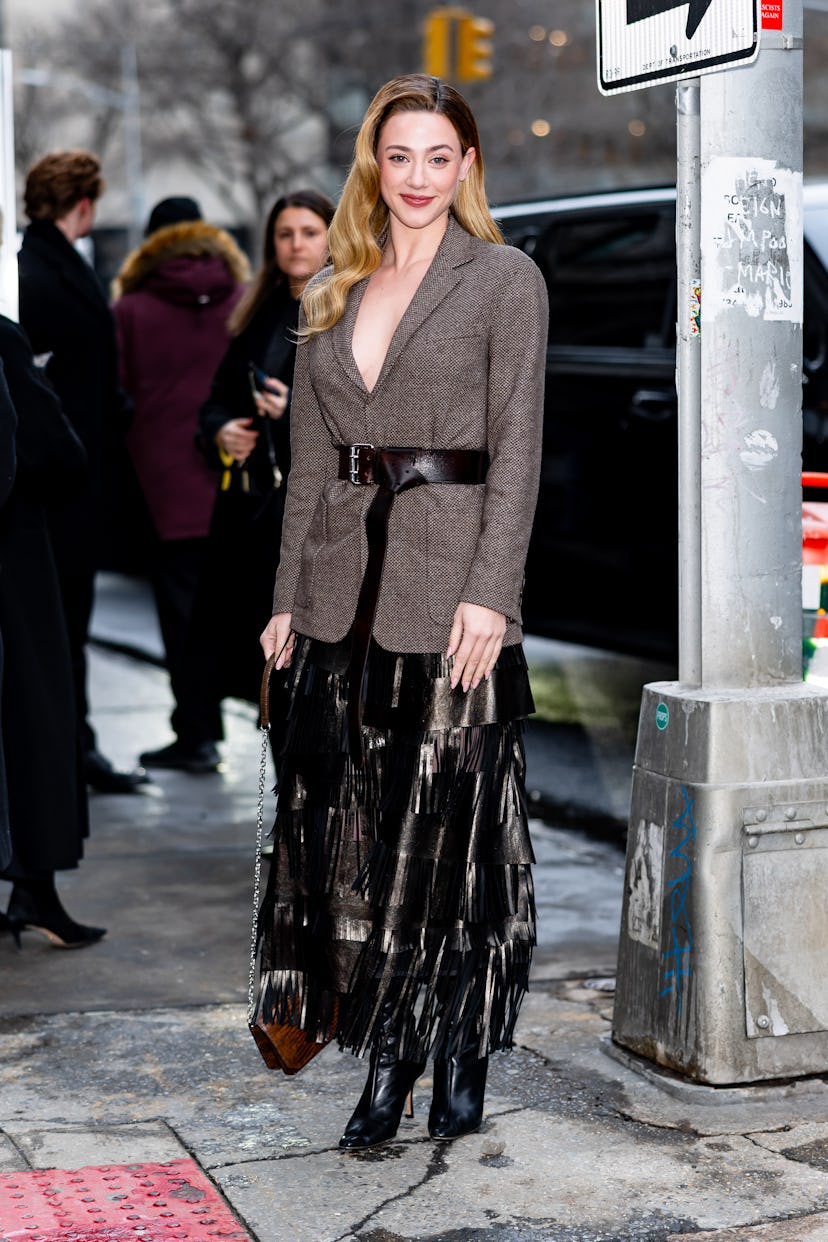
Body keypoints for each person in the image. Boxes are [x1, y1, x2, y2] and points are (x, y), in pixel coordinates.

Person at [255, 75, 548, 1149]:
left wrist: (493, 592)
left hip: (450, 597)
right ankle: (388, 1049)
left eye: (439, 156)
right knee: (363, 849)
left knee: (454, 846)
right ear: (373, 167)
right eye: (400, 156)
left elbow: (518, 449)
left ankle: (452, 1048)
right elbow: (307, 472)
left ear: (467, 165)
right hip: (344, 599)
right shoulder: (330, 288)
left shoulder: (504, 279)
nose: (419, 177)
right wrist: (286, 600)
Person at [17, 149, 145, 794]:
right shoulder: (37, 271)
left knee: (68, 626)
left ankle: (75, 744)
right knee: (63, 627)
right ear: (86, 205)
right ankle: (69, 750)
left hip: (70, 481)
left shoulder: (39, 264)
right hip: (62, 483)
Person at [112, 196, 250, 773]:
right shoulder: (244, 298)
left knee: (182, 610)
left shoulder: (133, 308)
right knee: (246, 607)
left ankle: (196, 732)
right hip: (237, 472)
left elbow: (116, 391)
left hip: (164, 478)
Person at [187, 191, 333, 726]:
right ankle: (288, 794)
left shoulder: (348, 306)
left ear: (332, 236)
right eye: (285, 234)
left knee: (307, 668)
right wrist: (221, 430)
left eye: (310, 232)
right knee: (265, 665)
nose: (297, 245)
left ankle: (309, 800)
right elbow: (217, 398)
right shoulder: (258, 311)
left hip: (313, 516)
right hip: (251, 515)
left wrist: (292, 409)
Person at [0, 313, 104, 948]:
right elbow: (58, 453)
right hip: (13, 561)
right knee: (32, 718)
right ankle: (34, 887)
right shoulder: (3, 341)